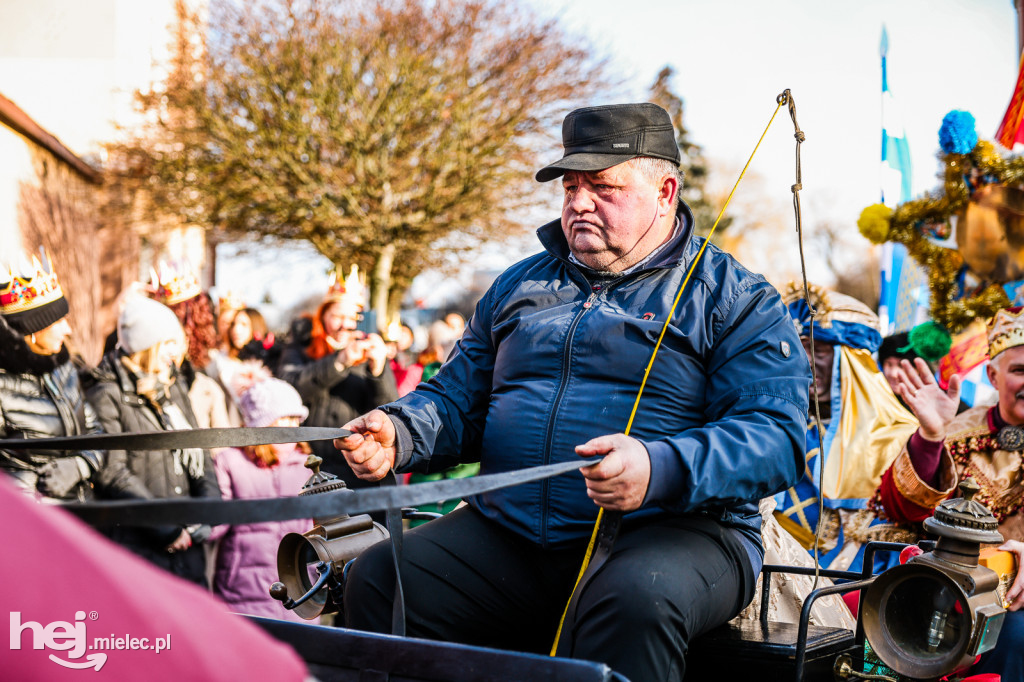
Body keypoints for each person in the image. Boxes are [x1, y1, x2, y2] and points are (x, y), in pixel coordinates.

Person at [335, 103, 809, 681]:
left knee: (636, 600)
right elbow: (456, 399)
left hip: (676, 534)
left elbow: (776, 437)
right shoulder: (518, 285)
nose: (579, 203)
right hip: (512, 532)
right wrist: (401, 430)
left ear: (665, 191)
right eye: (570, 186)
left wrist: (659, 466)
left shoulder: (736, 298)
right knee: (381, 578)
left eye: (603, 187)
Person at [879, 305, 1024, 679]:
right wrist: (929, 438)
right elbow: (902, 512)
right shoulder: (957, 432)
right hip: (948, 598)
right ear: (992, 375)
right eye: (1020, 370)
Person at [773, 283, 919, 572]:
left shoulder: (899, 437)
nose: (805, 362)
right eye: (799, 348)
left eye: (819, 349)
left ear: (854, 363)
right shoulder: (778, 425)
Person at [84, 292, 221, 587]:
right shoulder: (105, 394)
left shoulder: (174, 388)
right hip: (139, 547)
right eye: (169, 342)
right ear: (147, 345)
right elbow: (112, 472)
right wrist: (167, 529)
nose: (177, 351)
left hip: (189, 549)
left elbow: (201, 452)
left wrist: (207, 512)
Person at [277, 267, 397, 488]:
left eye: (352, 318)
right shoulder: (301, 346)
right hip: (308, 464)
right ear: (323, 316)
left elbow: (387, 409)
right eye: (337, 317)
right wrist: (339, 362)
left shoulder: (370, 348)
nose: (345, 325)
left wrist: (378, 369)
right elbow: (287, 391)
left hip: (357, 465)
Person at [0, 250, 104, 502]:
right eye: (58, 322)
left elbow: (97, 432)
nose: (68, 330)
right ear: (31, 330)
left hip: (83, 514)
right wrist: (30, 497)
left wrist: (80, 466)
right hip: (31, 527)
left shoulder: (63, 368)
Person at [209, 369, 312, 621]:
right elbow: (215, 521)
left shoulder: (306, 465)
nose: (291, 428)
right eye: (283, 420)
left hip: (300, 589)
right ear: (262, 425)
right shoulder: (230, 462)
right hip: (243, 589)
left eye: (295, 420)